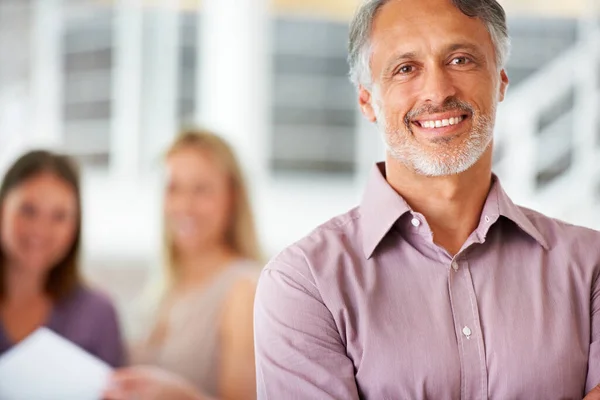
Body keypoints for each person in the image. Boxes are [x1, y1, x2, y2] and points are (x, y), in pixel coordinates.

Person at [253, 0, 600, 399]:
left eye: (460, 59)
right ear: (367, 101)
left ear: (500, 81)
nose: (437, 91)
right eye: (405, 68)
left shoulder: (591, 267)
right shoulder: (305, 284)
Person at [104, 129, 261, 400]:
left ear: (232, 197)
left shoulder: (243, 289)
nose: (184, 205)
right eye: (173, 188)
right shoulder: (165, 285)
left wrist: (180, 396)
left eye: (201, 190)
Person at [0, 150, 124, 367]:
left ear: (75, 226)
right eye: (28, 210)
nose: (40, 230)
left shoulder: (98, 313)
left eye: (59, 216)